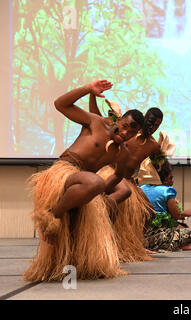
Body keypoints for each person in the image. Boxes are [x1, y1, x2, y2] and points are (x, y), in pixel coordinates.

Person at [24, 80, 144, 282]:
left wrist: (102, 193)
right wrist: (88, 89)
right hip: (63, 172)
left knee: (94, 192)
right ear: (119, 119)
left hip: (84, 182)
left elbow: (118, 175)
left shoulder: (122, 153)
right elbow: (60, 104)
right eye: (124, 127)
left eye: (131, 133)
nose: (124, 134)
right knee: (95, 184)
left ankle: (71, 264)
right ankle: (51, 218)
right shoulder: (95, 123)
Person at [89, 94, 164, 262]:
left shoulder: (153, 145)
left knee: (149, 212)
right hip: (112, 172)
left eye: (157, 125)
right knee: (119, 200)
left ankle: (136, 243)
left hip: (129, 180)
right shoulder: (128, 131)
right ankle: (104, 239)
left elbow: (161, 164)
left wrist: (166, 175)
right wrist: (91, 95)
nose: (153, 127)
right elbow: (97, 119)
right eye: (151, 122)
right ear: (144, 120)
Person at [140, 159, 191, 251]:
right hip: (160, 236)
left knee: (182, 228)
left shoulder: (141, 188)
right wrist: (186, 213)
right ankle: (177, 245)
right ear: (163, 179)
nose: (172, 182)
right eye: (171, 178)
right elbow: (176, 215)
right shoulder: (167, 191)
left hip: (142, 236)